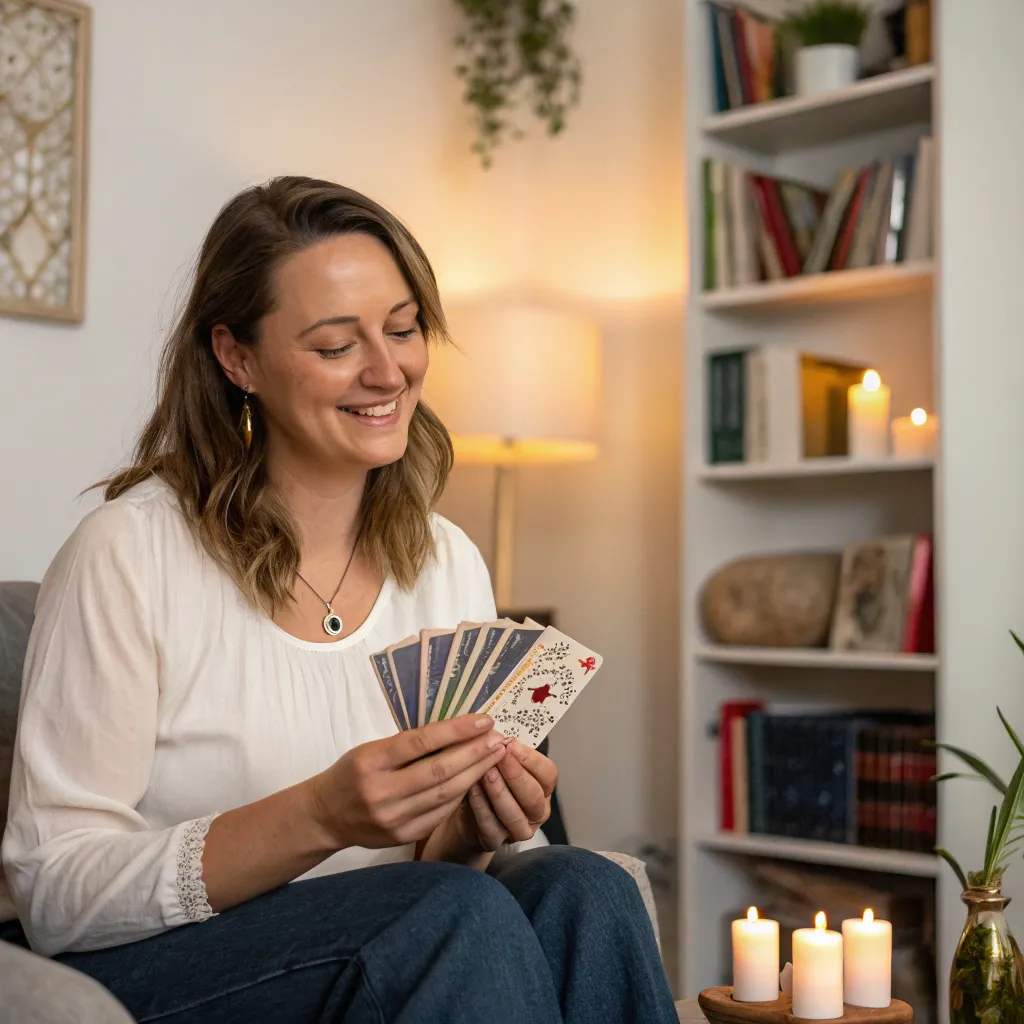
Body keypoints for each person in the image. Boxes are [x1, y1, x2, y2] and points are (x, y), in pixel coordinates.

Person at [1, 177, 677, 1023]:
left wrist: (473, 829)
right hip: (176, 974)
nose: (388, 370)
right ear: (236, 357)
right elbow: (54, 892)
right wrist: (320, 814)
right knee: (447, 914)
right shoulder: (129, 556)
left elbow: (453, 881)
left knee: (584, 885)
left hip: (403, 943)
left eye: (403, 329)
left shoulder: (442, 560)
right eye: (334, 346)